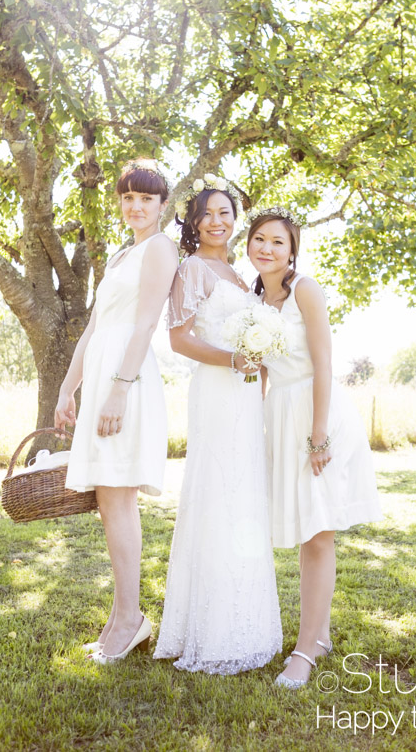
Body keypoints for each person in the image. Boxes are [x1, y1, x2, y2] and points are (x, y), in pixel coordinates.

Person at [246, 207, 382, 689]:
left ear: (292, 249)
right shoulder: (254, 298)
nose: (267, 248)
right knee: (307, 529)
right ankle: (318, 635)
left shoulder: (306, 289)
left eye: (277, 242)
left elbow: (324, 364)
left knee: (318, 532)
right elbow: (260, 368)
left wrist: (318, 434)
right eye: (259, 239)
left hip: (317, 414)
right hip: (281, 416)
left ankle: (304, 653)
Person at [153, 176, 282, 674]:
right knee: (217, 494)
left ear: (236, 219)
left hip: (246, 396)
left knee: (244, 497)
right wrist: (233, 360)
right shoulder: (193, 269)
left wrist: (260, 368)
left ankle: (246, 620)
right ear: (192, 221)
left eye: (225, 212)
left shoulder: (238, 275)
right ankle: (211, 629)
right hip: (217, 389)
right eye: (206, 213)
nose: (216, 221)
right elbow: (180, 340)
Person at [54, 159, 178, 665]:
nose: (136, 207)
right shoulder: (120, 257)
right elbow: (93, 330)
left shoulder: (160, 250)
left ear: (162, 206)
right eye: (128, 197)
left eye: (146, 199)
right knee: (109, 501)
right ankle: (121, 618)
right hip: (103, 376)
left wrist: (120, 390)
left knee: (118, 500)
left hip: (127, 380)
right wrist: (67, 391)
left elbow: (146, 323)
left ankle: (130, 621)